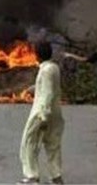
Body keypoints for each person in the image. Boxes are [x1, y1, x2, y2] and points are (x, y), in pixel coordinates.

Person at [18, 41, 64, 185]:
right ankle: (56, 176)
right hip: (55, 113)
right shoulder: (53, 68)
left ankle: (32, 177)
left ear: (37, 55)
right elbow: (48, 86)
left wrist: (43, 116)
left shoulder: (45, 70)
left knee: (29, 143)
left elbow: (48, 93)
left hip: (41, 113)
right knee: (53, 144)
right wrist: (33, 88)